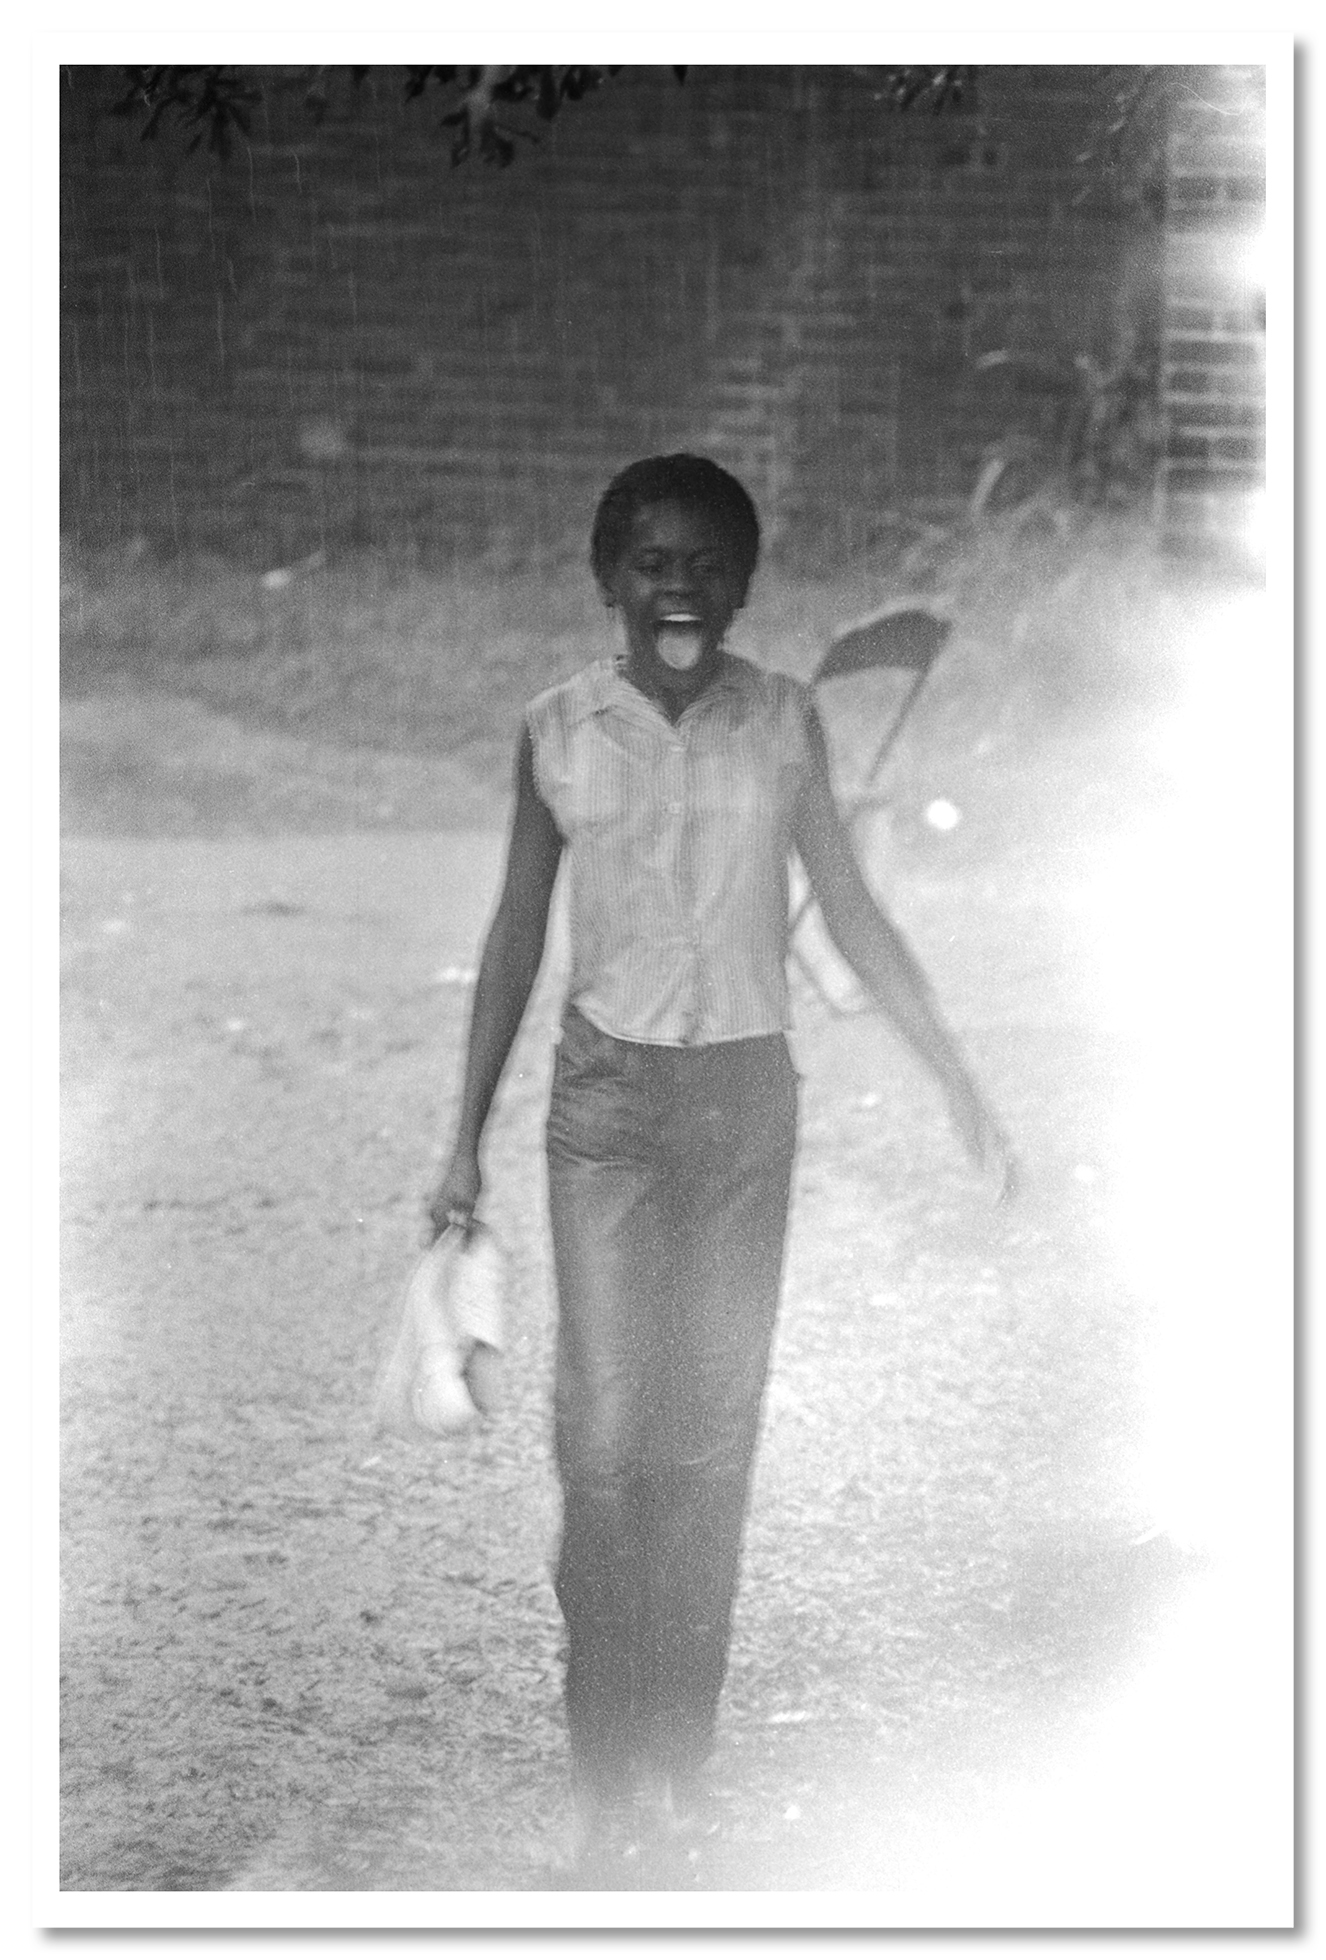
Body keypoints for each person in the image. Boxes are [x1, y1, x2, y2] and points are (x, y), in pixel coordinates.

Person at [425, 453, 1015, 1886]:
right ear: (608, 579)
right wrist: (458, 1142)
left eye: (706, 562)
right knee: (609, 1446)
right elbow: (515, 936)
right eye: (650, 560)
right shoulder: (556, 732)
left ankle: (672, 1771)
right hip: (608, 1111)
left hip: (746, 1111)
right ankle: (601, 1758)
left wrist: (955, 1079)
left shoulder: (784, 724)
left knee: (706, 1446)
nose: (676, 583)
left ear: (741, 585)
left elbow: (856, 917)